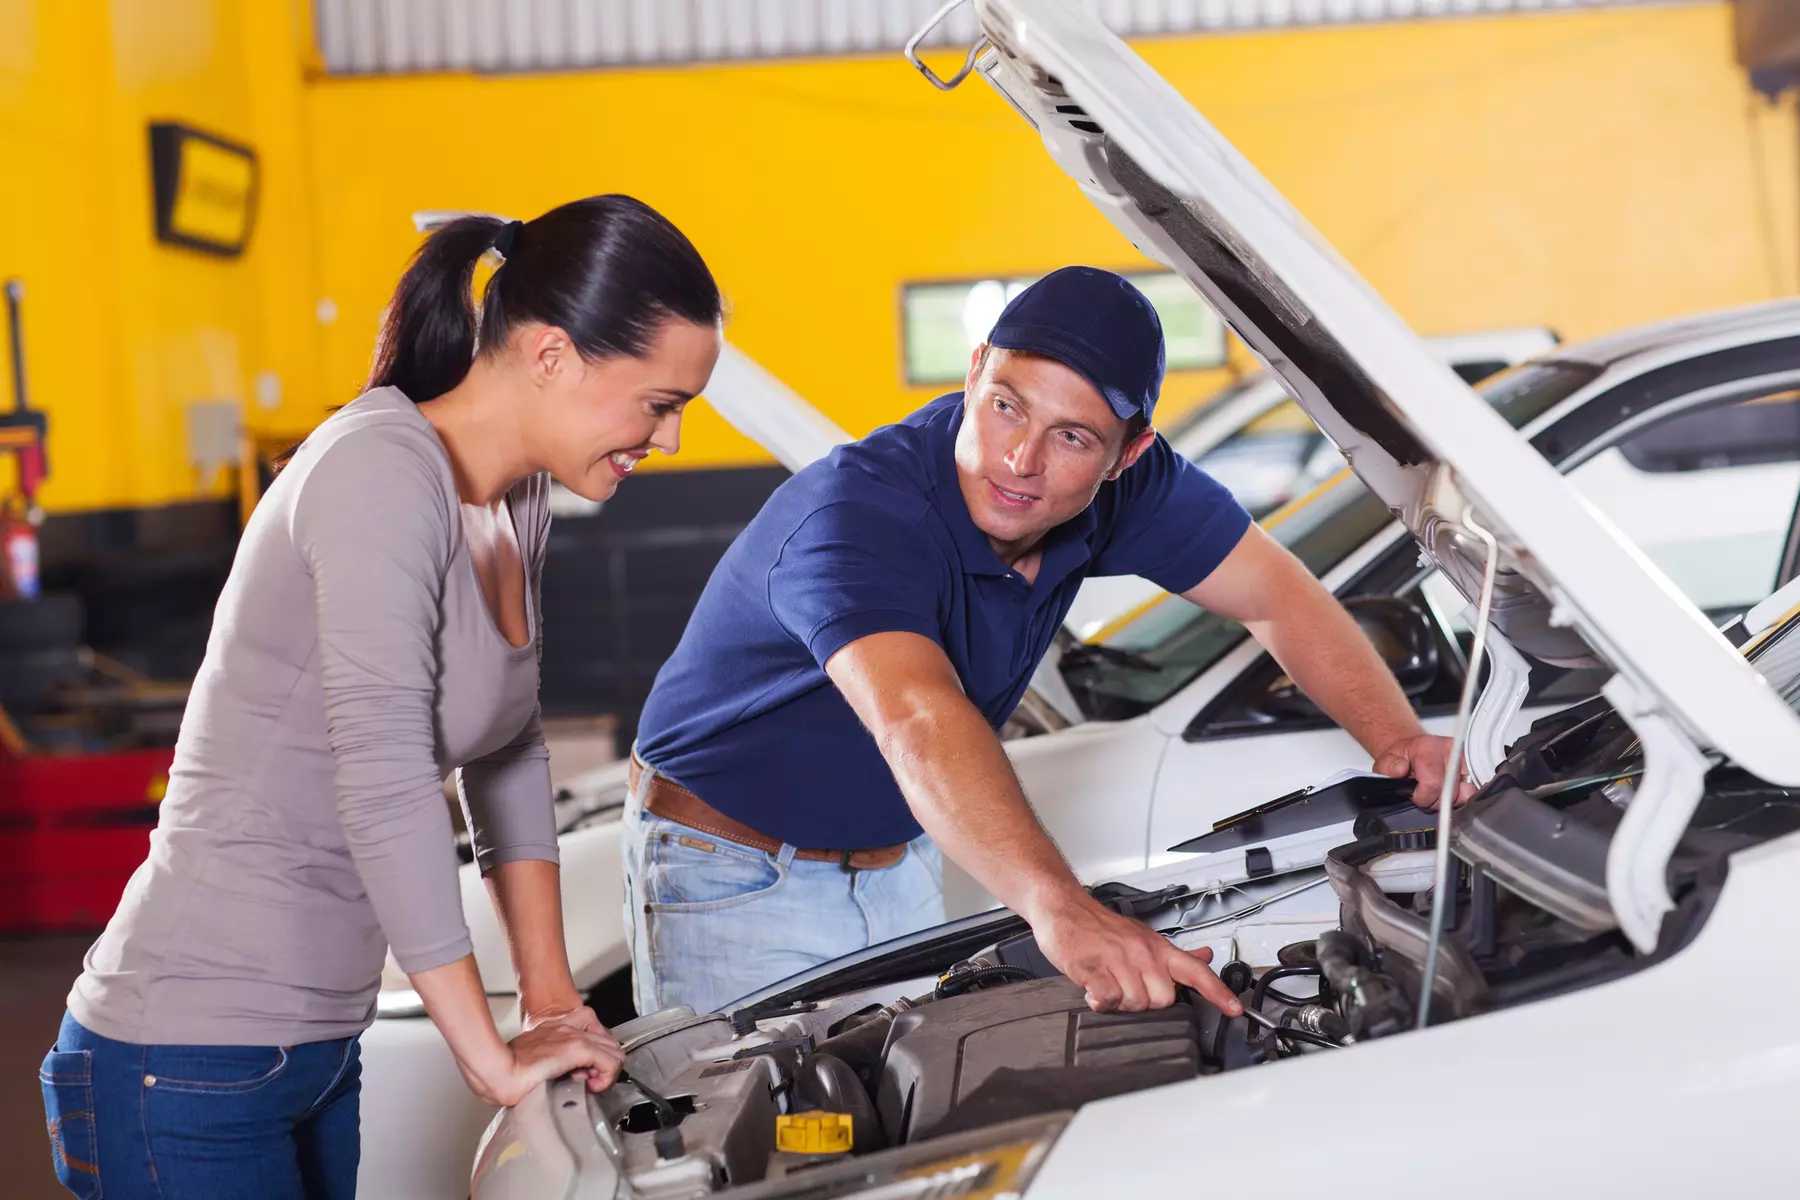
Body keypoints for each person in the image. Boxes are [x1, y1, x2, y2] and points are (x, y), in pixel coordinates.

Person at [39, 196, 723, 1199]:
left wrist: (547, 997)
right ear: (549, 357)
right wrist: (485, 1054)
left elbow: (507, 751)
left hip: (314, 1043)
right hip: (185, 1050)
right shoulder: (378, 469)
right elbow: (386, 775)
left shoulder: (515, 492)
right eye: (656, 403)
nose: (663, 441)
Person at [625, 266, 1469, 1019]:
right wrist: (1059, 906)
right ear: (974, 371)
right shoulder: (856, 517)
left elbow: (1278, 596)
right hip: (732, 871)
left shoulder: (1133, 488)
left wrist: (1398, 742)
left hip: (900, 857)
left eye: (1072, 437)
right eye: (1005, 406)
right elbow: (916, 715)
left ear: (1126, 454)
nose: (1021, 458)